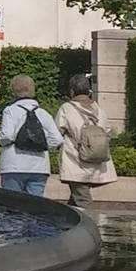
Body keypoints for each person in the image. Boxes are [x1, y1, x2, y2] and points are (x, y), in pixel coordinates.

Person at [54, 73, 117, 208]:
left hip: (75, 160)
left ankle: (91, 224)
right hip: (97, 159)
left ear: (71, 91)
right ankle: (70, 221)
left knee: (82, 199)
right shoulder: (98, 110)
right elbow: (108, 132)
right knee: (77, 195)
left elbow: (57, 132)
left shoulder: (67, 108)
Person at [0, 75, 62, 196]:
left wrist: (1, 138)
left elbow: (6, 136)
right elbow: (57, 139)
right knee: (34, 209)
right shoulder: (44, 113)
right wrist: (40, 143)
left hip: (14, 166)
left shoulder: (10, 110)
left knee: (11, 207)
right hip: (39, 168)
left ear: (13, 90)